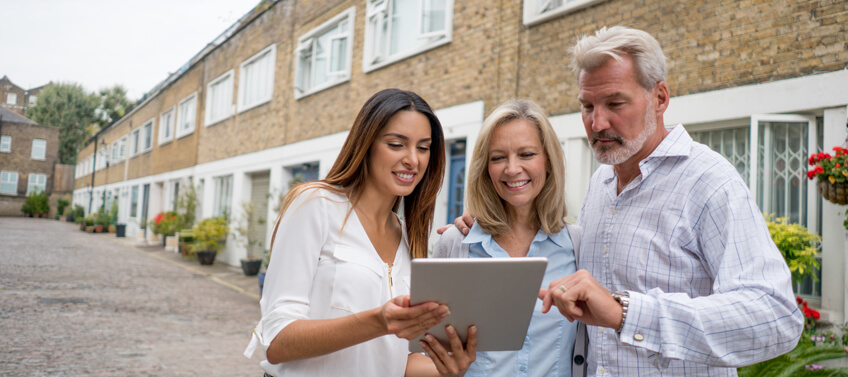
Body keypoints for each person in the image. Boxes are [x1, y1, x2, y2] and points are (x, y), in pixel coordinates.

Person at [451, 26, 804, 376]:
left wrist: (627, 314)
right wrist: (492, 215)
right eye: (587, 106)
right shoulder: (602, 183)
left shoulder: (709, 182)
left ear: (660, 98)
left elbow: (776, 317)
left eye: (614, 103)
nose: (597, 122)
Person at [244, 88, 477, 377]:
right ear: (366, 144)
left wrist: (447, 368)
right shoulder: (316, 204)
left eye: (423, 147)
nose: (413, 160)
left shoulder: (409, 237)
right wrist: (380, 321)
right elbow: (277, 342)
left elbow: (390, 360)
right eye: (396, 144)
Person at [434, 99, 582, 377]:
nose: (512, 169)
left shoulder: (578, 246)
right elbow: (429, 348)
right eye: (498, 157)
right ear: (485, 168)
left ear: (548, 161)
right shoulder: (455, 243)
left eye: (526, 154)